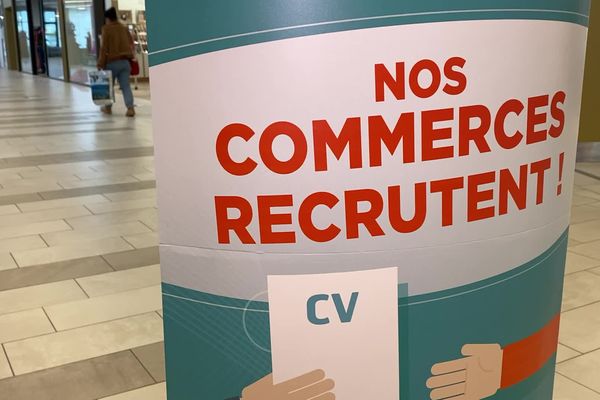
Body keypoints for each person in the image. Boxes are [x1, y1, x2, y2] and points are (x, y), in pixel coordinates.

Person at [97, 7, 135, 117]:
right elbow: (131, 42)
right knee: (126, 86)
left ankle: (108, 108)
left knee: (109, 87)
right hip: (125, 62)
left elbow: (104, 48)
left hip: (112, 63)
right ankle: (130, 108)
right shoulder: (123, 28)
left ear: (108, 18)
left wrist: (100, 63)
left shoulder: (106, 29)